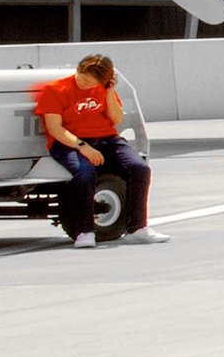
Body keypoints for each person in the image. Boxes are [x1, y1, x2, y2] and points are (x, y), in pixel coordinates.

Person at [36, 53, 158, 247]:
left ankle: (137, 228)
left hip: (106, 138)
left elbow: (116, 119)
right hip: (69, 142)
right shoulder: (55, 90)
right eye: (83, 79)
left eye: (91, 83)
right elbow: (55, 128)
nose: (86, 85)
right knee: (85, 172)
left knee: (139, 168)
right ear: (79, 70)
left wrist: (109, 92)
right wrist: (83, 147)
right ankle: (84, 231)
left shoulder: (103, 88)